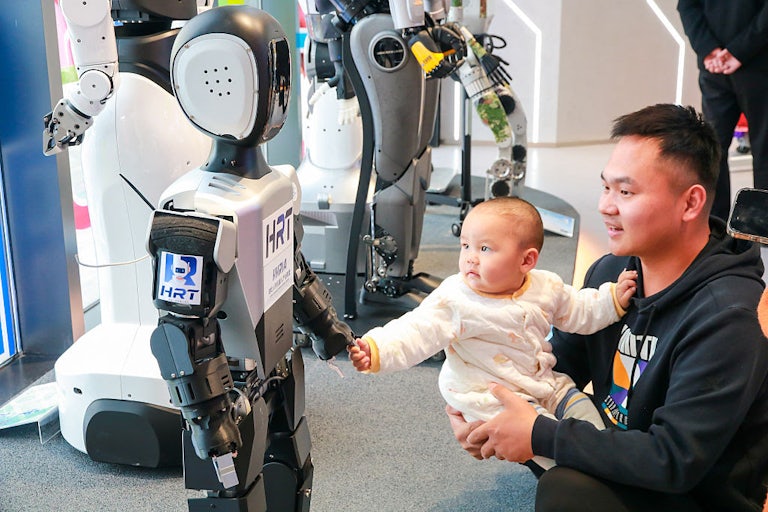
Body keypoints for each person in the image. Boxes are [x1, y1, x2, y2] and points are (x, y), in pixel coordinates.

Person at [447, 104, 768, 512]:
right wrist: (488, 413)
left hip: (694, 492)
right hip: (628, 453)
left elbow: (674, 461)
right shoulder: (612, 272)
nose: (606, 206)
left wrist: (540, 435)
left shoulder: (729, 315)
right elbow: (557, 363)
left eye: (626, 192)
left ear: (690, 203)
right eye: (606, 188)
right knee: (536, 428)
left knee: (566, 491)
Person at [348, 197, 637, 469]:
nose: (471, 258)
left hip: (543, 381)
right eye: (465, 246)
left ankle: (603, 463)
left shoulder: (545, 286)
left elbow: (579, 310)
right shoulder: (456, 298)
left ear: (526, 261)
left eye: (484, 249)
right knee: (552, 446)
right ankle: (579, 477)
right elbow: (416, 330)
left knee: (584, 413)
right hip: (489, 395)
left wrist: (612, 299)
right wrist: (377, 349)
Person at [678, 0, 768, 221]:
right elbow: (687, 5)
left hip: (753, 66)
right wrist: (711, 51)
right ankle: (723, 223)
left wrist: (718, 52)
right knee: (712, 148)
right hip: (725, 67)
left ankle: (734, 223)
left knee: (755, 147)